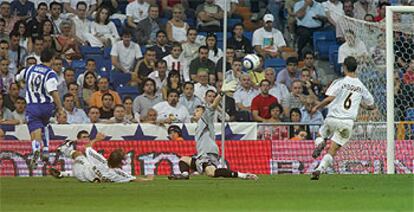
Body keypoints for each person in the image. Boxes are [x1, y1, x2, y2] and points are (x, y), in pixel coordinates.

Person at [168, 80, 258, 180]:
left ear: (202, 113)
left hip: (208, 153)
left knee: (211, 172)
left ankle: (243, 175)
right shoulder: (199, 124)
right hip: (202, 154)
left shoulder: (205, 118)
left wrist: (221, 93)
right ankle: (184, 175)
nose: (195, 112)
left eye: (197, 111)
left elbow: (213, 105)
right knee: (184, 159)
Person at [310, 56, 375, 180]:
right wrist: (362, 104)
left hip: (332, 118)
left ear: (344, 67)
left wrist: (317, 106)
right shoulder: (361, 86)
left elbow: (330, 98)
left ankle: (321, 143)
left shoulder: (340, 82)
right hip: (347, 123)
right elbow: (372, 105)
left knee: (320, 134)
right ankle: (319, 169)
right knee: (333, 150)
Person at [15, 49, 63, 169]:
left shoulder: (30, 69)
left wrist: (23, 85)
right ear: (52, 59)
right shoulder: (50, 74)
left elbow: (17, 77)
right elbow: (54, 92)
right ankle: (46, 150)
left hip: (32, 106)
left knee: (34, 130)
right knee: (45, 125)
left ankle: (36, 148)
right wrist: (60, 108)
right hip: (47, 106)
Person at [50, 132, 153, 183]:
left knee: (78, 154)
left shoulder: (100, 160)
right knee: (87, 165)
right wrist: (148, 179)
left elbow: (87, 147)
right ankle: (63, 173)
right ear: (120, 163)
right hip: (85, 179)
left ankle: (63, 149)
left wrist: (97, 139)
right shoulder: (117, 173)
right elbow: (133, 179)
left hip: (80, 170)